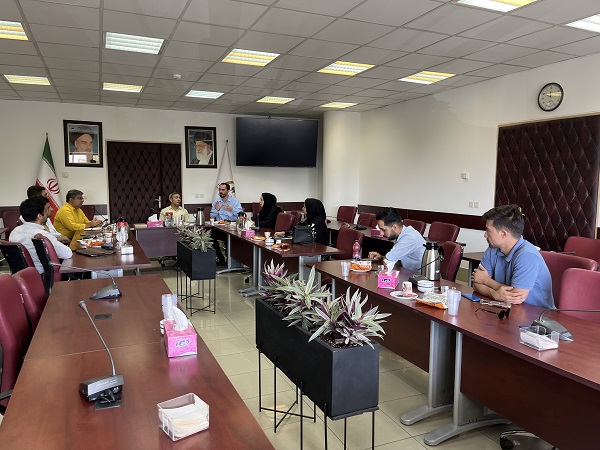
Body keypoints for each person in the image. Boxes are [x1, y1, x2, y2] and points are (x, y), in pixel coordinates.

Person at [472, 204, 554, 308]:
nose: (485, 235)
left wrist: (486, 281)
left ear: (503, 234)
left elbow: (515, 298)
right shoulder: (492, 249)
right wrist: (494, 294)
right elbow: (476, 284)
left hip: (537, 314)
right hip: (506, 309)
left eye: (488, 231)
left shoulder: (527, 256)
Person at [10, 196, 73, 274]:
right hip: (43, 274)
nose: (51, 210)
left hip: (21, 275)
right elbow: (67, 254)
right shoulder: (41, 235)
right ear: (39, 216)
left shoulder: (14, 232)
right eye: (47, 209)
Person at [367, 207, 425, 271]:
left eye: (383, 230)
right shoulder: (401, 234)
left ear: (394, 227)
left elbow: (387, 262)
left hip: (418, 276)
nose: (381, 233)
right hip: (407, 272)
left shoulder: (409, 238)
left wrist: (385, 259)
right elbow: (396, 261)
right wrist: (381, 257)